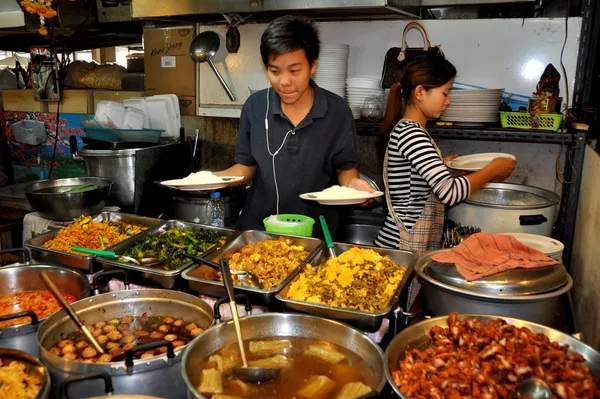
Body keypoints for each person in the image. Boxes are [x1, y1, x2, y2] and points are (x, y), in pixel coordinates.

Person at [374, 52, 516, 306]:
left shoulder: (413, 130)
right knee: (397, 319)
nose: (448, 101)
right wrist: (492, 171)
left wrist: (445, 167)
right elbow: (449, 193)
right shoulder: (411, 133)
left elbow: (417, 179)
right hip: (402, 246)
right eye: (445, 92)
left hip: (406, 246)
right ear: (420, 92)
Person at [216, 15, 373, 237]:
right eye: (275, 71)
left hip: (315, 234)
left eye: (294, 70)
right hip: (258, 231)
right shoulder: (255, 106)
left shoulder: (337, 112)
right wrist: (213, 180)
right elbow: (245, 167)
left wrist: (353, 185)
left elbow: (345, 169)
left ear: (313, 65)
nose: (284, 81)